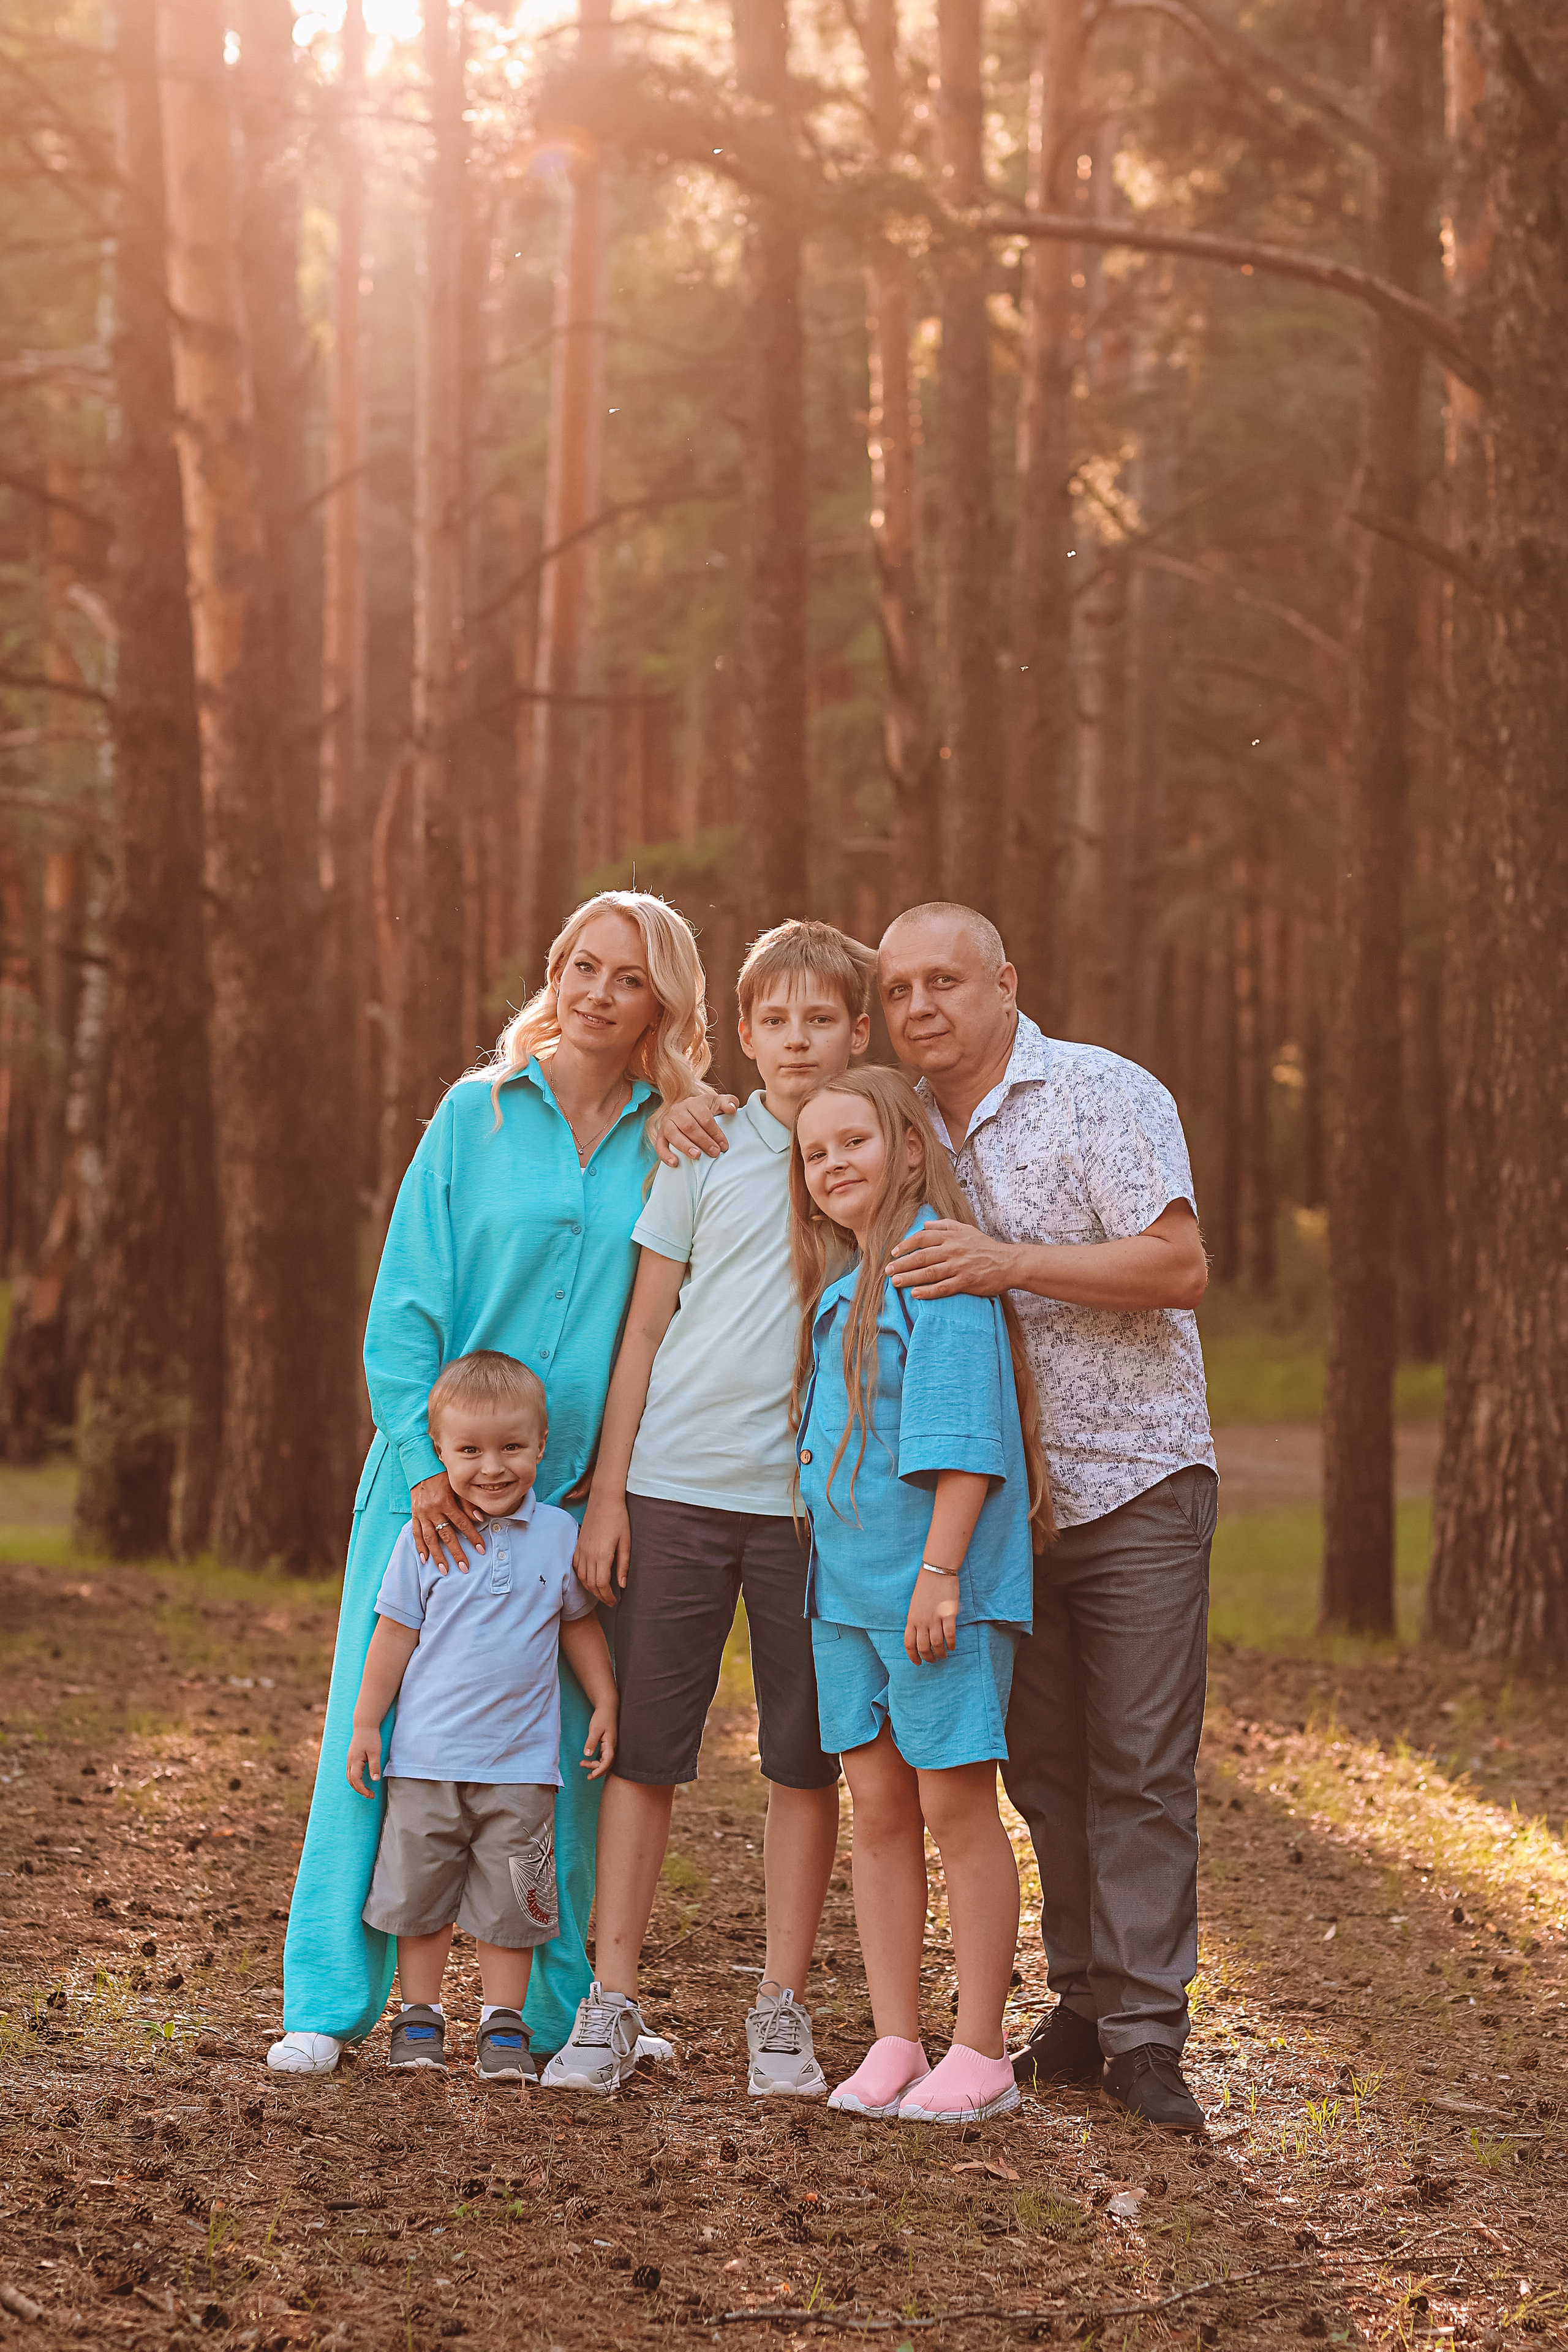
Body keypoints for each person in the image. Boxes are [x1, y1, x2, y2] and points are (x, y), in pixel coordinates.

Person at [269, 891, 709, 2078]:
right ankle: (329, 1998)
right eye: (579, 965)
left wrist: (605, 1493)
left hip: (573, 1499)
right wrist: (423, 1471)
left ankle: (567, 2016)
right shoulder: (474, 1117)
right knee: (382, 1733)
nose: (596, 992)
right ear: (552, 974)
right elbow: (404, 1303)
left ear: (658, 1001)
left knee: (567, 1753)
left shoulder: (672, 1135)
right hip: (435, 1490)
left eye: (626, 977)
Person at [877, 903, 1216, 2134]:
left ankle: (1142, 2035)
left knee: (1136, 1768)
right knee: (1045, 1770)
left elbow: (1174, 1268)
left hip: (1133, 1483)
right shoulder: (905, 1125)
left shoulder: (1098, 1095)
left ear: (1003, 984)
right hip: (1008, 1509)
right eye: (899, 988)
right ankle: (1079, 2001)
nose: (919, 1006)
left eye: (944, 982)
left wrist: (1003, 1262)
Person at [541, 921, 868, 2099]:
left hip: (810, 1512)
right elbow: (642, 1326)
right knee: (644, 1752)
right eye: (774, 1021)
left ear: (857, 1034)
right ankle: (610, 1999)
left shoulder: (872, 1149)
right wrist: (609, 1496)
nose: (797, 1041)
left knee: (803, 1759)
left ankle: (781, 2009)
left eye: (821, 1020)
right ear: (743, 1033)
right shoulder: (703, 1146)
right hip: (676, 1491)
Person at [790, 1067, 1052, 2125]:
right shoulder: (837, 1287)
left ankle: (979, 2050)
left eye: (855, 1141)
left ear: (907, 1149)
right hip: (846, 1601)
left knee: (955, 1806)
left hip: (934, 1595)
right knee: (880, 1813)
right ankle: (896, 2037)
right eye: (815, 1153)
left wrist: (941, 1573)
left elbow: (964, 1449)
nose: (834, 1163)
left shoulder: (937, 1272)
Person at [345, 1352, 617, 2079]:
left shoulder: (559, 1534)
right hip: (424, 1762)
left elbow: (578, 1628)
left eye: (511, 1448)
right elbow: (394, 1634)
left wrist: (606, 1699)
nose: (492, 1468)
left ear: (540, 1445)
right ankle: (420, 2017)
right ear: (440, 1453)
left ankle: (504, 2024)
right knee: (420, 1898)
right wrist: (368, 1723)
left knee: (512, 1905)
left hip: (522, 1770)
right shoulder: (423, 1537)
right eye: (469, 1451)